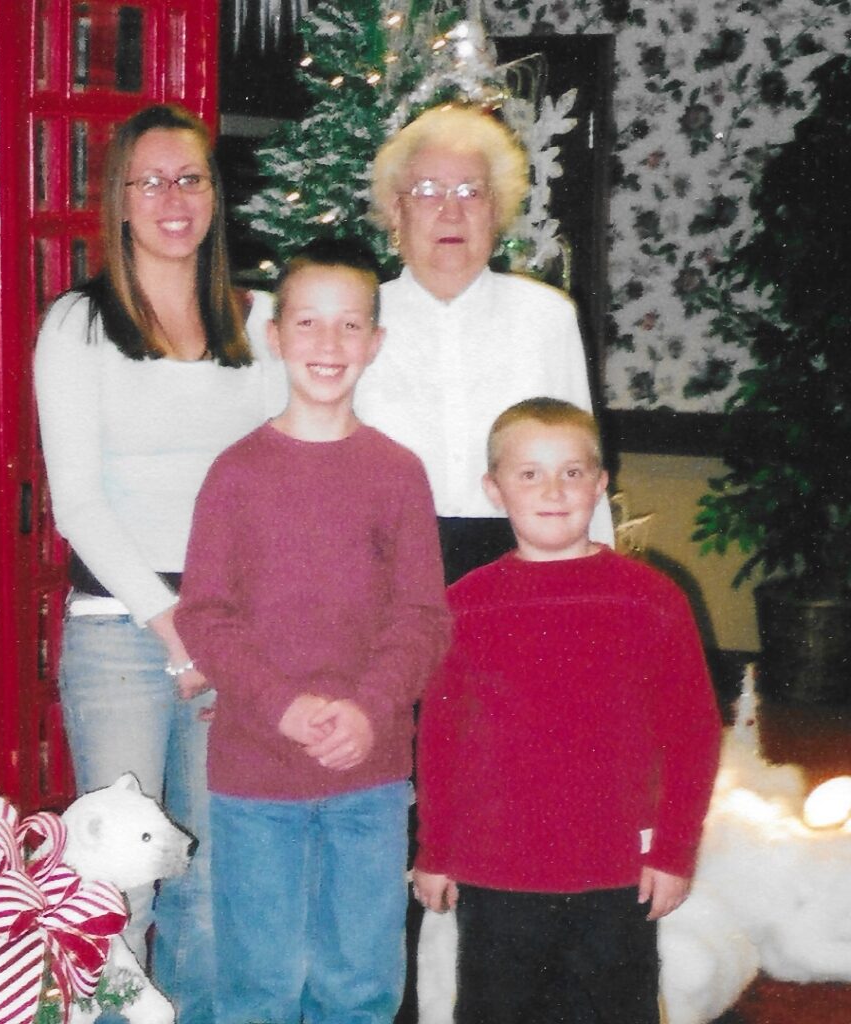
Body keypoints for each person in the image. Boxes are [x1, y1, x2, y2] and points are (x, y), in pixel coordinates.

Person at [33, 103, 283, 1024]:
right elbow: (79, 504)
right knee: (121, 883)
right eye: (151, 181)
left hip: (235, 633)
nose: (173, 199)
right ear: (121, 202)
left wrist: (237, 626)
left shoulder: (260, 327)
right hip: (118, 634)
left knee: (218, 884)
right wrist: (176, 628)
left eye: (191, 179)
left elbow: (283, 484)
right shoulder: (78, 325)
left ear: (215, 196)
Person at [173, 239, 451, 1024]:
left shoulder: (398, 472)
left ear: (376, 342)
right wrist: (283, 706)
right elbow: (205, 614)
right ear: (275, 334)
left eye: (349, 326)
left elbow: (421, 617)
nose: (329, 346)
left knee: (359, 985)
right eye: (308, 323)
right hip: (256, 777)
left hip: (370, 776)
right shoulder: (235, 473)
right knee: (258, 984)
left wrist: (366, 708)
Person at [412, 397, 722, 1024]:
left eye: (572, 472)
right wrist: (434, 850)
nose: (553, 489)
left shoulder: (651, 599)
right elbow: (440, 741)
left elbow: (691, 736)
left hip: (615, 873)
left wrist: (673, 851)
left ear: (601, 484)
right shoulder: (464, 605)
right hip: (499, 874)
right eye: (529, 473)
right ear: (494, 489)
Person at [359, 103, 615, 584]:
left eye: (471, 192)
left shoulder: (546, 317)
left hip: (520, 562)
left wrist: (596, 579)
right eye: (428, 191)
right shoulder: (357, 317)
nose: (450, 211)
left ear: (497, 210)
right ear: (396, 209)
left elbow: (580, 459)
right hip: (382, 569)